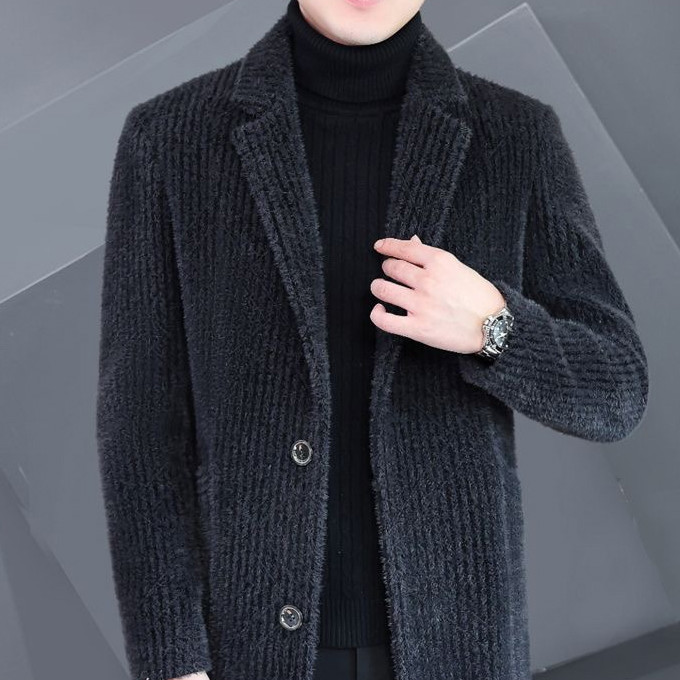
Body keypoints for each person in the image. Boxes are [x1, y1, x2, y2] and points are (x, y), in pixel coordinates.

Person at [96, 1, 649, 679]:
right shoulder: (171, 139)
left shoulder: (514, 134)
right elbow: (140, 428)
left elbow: (616, 390)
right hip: (247, 651)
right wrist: (171, 660)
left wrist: (492, 327)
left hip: (457, 648)